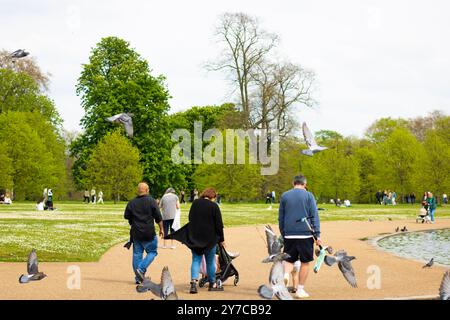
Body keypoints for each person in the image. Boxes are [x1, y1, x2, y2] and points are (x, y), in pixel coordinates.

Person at [279, 175, 321, 299]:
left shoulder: (285, 196)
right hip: (305, 234)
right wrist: (317, 234)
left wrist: (283, 232)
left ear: (293, 183)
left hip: (289, 233)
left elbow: (281, 216)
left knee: (289, 260)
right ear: (305, 184)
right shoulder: (309, 196)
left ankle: (286, 274)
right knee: (305, 263)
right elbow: (314, 215)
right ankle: (300, 289)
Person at [184, 188, 225, 294]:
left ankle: (193, 283)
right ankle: (212, 283)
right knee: (210, 261)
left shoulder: (195, 203)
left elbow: (190, 218)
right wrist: (222, 239)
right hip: (210, 239)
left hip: (196, 238)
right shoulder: (214, 206)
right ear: (213, 197)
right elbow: (219, 225)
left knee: (196, 260)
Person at [124, 183, 164, 284]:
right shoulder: (152, 201)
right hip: (148, 233)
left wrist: (132, 220)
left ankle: (138, 279)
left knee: (137, 254)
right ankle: (141, 270)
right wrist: (161, 229)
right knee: (152, 252)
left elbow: (126, 215)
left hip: (136, 233)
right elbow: (158, 217)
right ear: (147, 190)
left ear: (138, 190)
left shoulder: (132, 202)